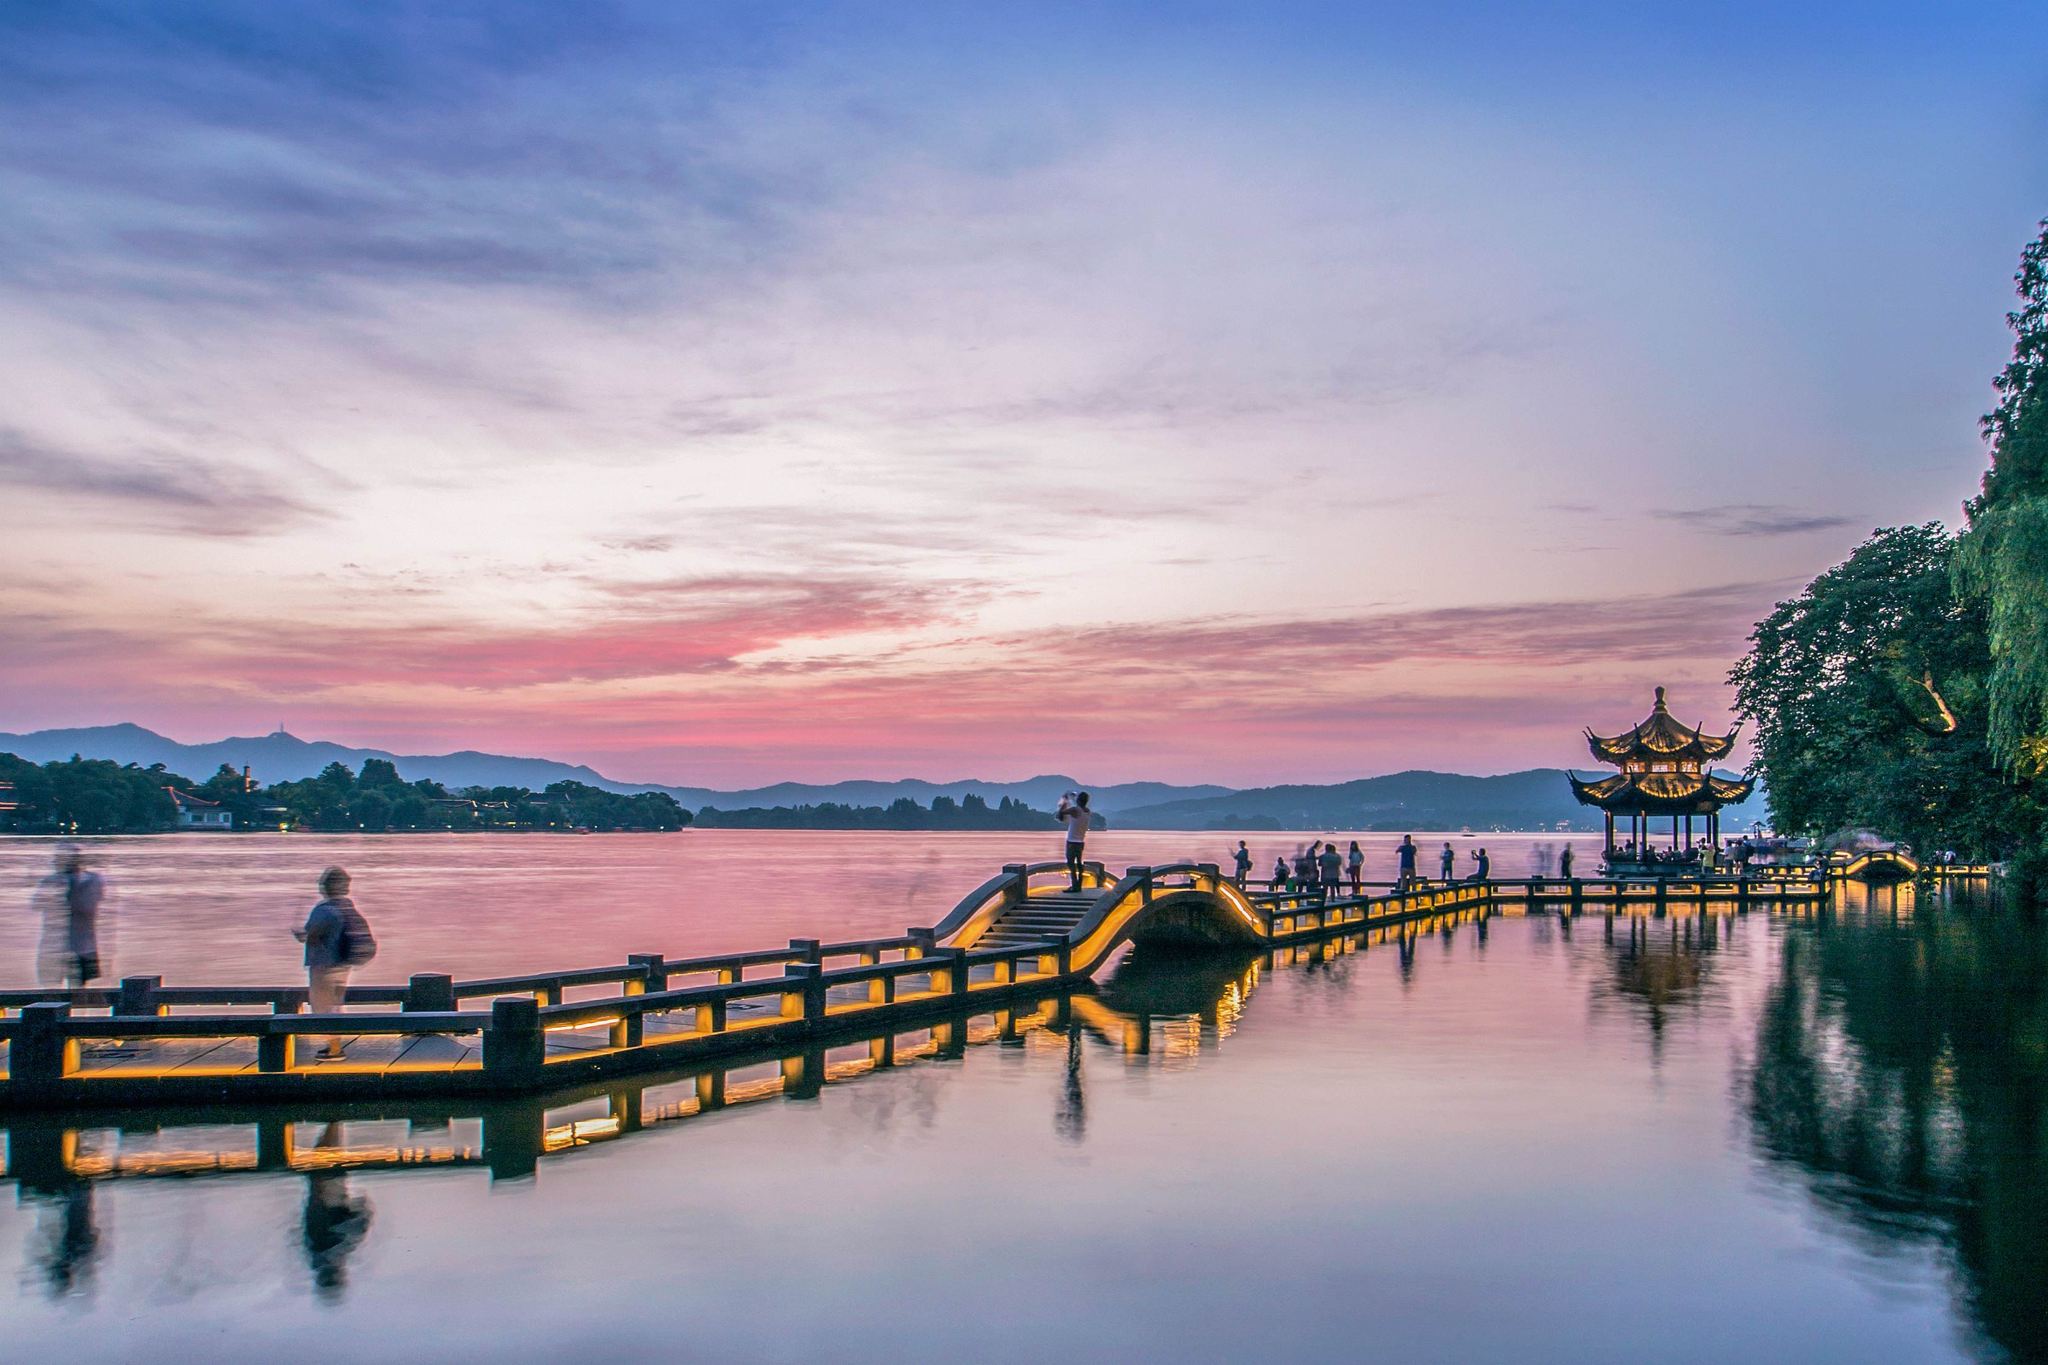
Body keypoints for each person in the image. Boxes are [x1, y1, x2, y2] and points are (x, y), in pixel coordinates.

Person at [294, 867, 373, 1061]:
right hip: (343, 965)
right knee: (336, 1005)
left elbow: (312, 936)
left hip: (323, 965)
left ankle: (334, 1049)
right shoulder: (347, 907)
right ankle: (335, 1046)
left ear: (325, 887)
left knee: (322, 1007)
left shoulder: (324, 910)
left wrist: (301, 935)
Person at [34, 844, 105, 988]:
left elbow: (86, 906)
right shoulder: (52, 881)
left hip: (81, 946)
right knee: (52, 992)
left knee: (79, 992)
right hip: (57, 946)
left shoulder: (91, 880)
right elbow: (38, 903)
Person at [1055, 792, 1092, 892]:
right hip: (1080, 842)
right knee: (1079, 864)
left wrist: (1064, 801)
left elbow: (1060, 814)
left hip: (1071, 842)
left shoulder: (1076, 810)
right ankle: (1078, 885)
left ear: (1079, 800)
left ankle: (1074, 886)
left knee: (1071, 864)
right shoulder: (1087, 811)